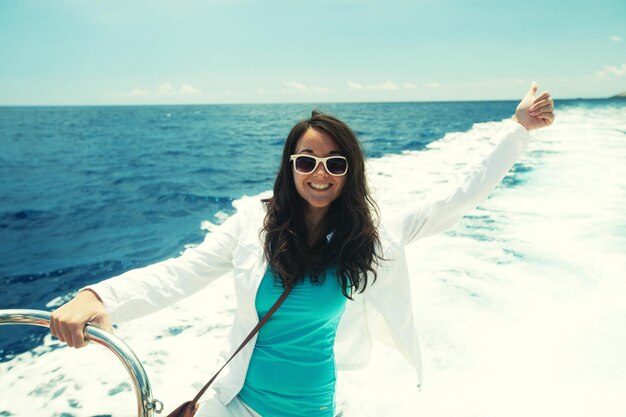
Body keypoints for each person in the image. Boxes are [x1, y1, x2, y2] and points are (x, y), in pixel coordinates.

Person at [49, 82, 555, 417]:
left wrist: (518, 132)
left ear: (349, 173)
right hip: (239, 406)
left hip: (318, 409)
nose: (320, 173)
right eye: (307, 160)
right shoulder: (253, 222)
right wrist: (100, 295)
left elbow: (460, 194)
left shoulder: (371, 235)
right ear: (289, 165)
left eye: (336, 164)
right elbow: (181, 273)